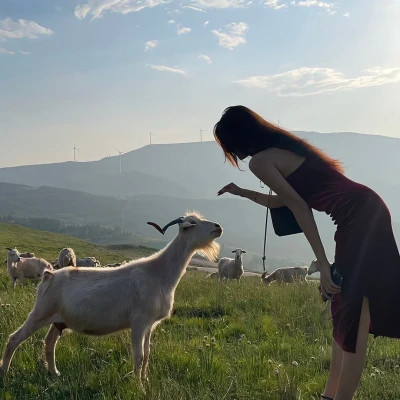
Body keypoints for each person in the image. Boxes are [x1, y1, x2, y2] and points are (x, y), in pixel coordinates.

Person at [214, 105, 400, 400]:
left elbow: (300, 208)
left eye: (228, 146)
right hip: (365, 209)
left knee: (353, 305)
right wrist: (241, 192)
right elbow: (283, 201)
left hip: (360, 217)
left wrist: (323, 264)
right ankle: (330, 394)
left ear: (237, 139)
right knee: (343, 302)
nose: (233, 154)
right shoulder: (281, 149)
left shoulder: (261, 161)